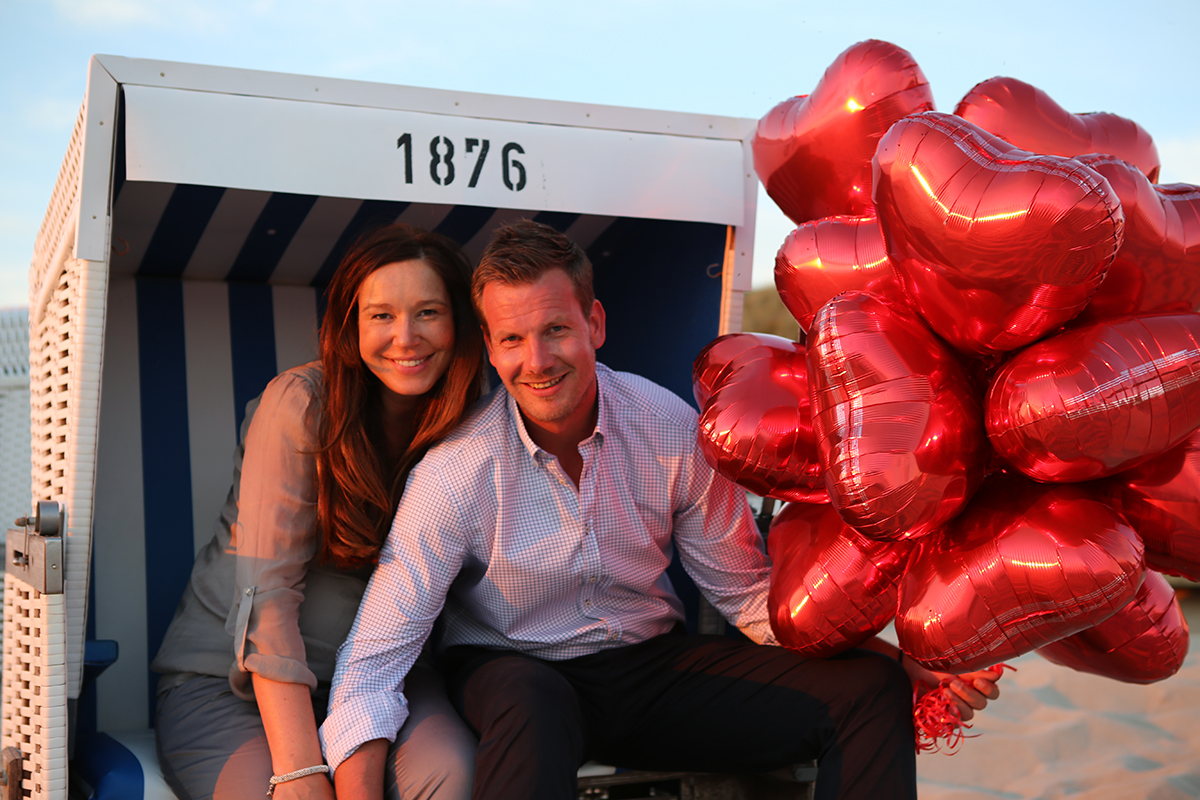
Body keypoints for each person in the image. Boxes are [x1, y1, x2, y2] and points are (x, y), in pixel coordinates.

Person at [321, 220, 1003, 800]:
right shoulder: (455, 475)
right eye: (512, 339)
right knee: (532, 706)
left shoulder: (671, 427)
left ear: (595, 323)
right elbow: (372, 666)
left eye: (556, 329)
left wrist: (901, 654)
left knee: (868, 688)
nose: (537, 360)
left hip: (648, 668)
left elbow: (747, 598)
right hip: (514, 669)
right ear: (491, 347)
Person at [151, 224, 485, 800]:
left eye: (427, 312)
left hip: (384, 681)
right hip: (235, 688)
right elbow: (268, 599)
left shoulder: (473, 424)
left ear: (457, 322)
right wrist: (301, 773)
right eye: (381, 315)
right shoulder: (302, 404)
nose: (405, 336)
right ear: (350, 325)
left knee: (451, 776)